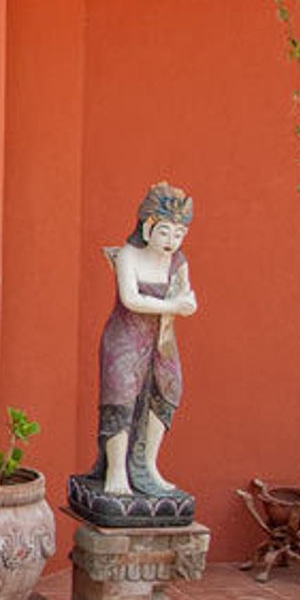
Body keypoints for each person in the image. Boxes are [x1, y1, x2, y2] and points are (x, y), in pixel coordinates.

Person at [93, 181, 197, 496]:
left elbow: (185, 293)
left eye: (178, 234)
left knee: (166, 391)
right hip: (125, 337)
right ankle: (116, 471)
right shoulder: (129, 256)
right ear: (148, 226)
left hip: (161, 338)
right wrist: (173, 305)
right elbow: (131, 299)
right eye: (165, 232)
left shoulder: (178, 262)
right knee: (120, 398)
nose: (171, 241)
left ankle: (147, 465)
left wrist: (186, 304)